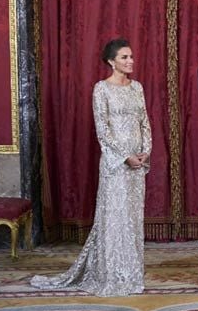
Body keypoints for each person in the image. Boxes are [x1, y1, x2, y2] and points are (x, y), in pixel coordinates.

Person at [31, 39, 151, 297]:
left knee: (132, 219)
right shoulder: (101, 89)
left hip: (137, 166)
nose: (130, 61)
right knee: (115, 218)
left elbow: (145, 122)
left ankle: (131, 273)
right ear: (111, 61)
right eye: (124, 57)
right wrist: (125, 157)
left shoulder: (137, 88)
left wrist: (144, 152)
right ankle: (111, 273)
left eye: (131, 56)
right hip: (115, 165)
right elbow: (103, 132)